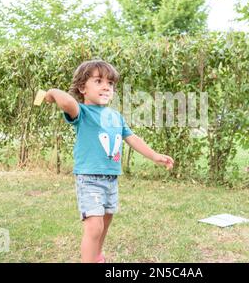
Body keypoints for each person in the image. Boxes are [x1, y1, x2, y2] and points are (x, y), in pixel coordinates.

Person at [42, 60, 174, 263]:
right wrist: (51, 92)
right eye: (98, 81)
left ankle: (96, 256)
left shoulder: (115, 116)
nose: (106, 86)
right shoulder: (82, 113)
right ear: (82, 88)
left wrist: (155, 155)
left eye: (110, 83)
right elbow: (67, 103)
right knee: (94, 226)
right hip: (89, 178)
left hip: (111, 178)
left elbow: (132, 139)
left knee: (105, 220)